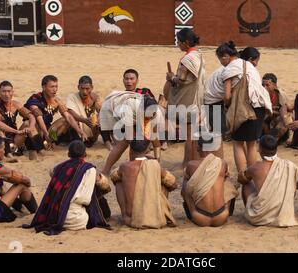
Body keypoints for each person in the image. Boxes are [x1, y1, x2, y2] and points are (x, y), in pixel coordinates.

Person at [24, 140, 111, 235]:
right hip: (75, 221)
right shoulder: (89, 170)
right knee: (93, 200)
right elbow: (85, 199)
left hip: (54, 217)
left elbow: (52, 172)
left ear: (68, 154)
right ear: (85, 154)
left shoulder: (60, 168)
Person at [225, 43, 272, 174]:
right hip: (259, 108)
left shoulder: (231, 67)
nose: (256, 64)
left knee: (238, 143)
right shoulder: (252, 69)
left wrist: (228, 106)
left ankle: (242, 174)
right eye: (256, 61)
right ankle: (252, 174)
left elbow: (227, 95)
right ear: (251, 59)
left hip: (242, 108)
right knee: (251, 144)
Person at [111, 139, 176, 228]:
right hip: (157, 218)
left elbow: (113, 176)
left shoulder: (124, 167)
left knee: (119, 182)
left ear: (131, 150)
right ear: (147, 150)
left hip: (132, 219)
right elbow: (173, 183)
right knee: (164, 182)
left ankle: (125, 214)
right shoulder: (155, 165)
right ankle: (157, 212)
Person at [164, 28, 205, 168]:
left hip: (189, 99)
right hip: (196, 98)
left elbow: (180, 80)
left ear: (186, 43)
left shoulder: (188, 58)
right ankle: (189, 161)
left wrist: (171, 78)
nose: (178, 45)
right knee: (192, 134)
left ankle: (187, 163)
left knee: (189, 135)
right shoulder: (198, 55)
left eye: (179, 42)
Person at [238, 135, 298, 227]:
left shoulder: (255, 168)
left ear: (260, 150)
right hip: (283, 215)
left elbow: (242, 180)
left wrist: (242, 174)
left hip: (261, 217)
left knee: (247, 184)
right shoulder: (289, 165)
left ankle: (252, 214)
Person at [182, 136, 238, 227]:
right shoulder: (222, 163)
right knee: (228, 182)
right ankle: (227, 209)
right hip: (222, 216)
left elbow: (186, 189)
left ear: (198, 148)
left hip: (199, 217)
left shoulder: (191, 165)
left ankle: (192, 211)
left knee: (185, 184)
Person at [100, 91, 160, 174]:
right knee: (123, 143)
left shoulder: (156, 113)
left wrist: (157, 163)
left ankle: (135, 166)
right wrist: (142, 149)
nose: (150, 117)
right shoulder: (128, 108)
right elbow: (130, 138)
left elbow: (155, 139)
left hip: (134, 114)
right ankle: (106, 170)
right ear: (141, 110)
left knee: (141, 141)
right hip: (113, 108)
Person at [24, 75, 87, 151]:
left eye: (56, 87)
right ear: (44, 87)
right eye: (52, 87)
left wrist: (80, 131)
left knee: (67, 119)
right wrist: (46, 133)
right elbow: (39, 117)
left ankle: (53, 142)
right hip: (36, 132)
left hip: (48, 129)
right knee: (29, 123)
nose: (55, 89)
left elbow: (68, 117)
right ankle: (41, 147)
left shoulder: (56, 100)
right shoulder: (35, 98)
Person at [0, 81, 38, 160]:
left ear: (12, 92)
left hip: (15, 140)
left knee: (28, 123)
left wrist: (31, 127)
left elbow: (31, 115)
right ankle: (8, 155)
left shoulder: (16, 104)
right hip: (1, 142)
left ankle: (40, 149)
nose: (7, 94)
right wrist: (16, 131)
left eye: (9, 91)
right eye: (4, 91)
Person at [62, 76, 109, 149]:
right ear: (78, 87)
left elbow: (101, 111)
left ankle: (107, 141)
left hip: (91, 129)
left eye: (87, 89)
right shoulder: (72, 97)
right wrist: (84, 120)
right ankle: (52, 141)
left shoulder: (94, 98)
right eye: (82, 88)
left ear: (92, 88)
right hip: (77, 128)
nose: (84, 91)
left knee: (103, 118)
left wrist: (98, 118)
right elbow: (70, 113)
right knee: (65, 120)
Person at [261, 73, 292, 143]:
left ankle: (272, 140)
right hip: (265, 125)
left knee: (285, 119)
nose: (264, 88)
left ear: (275, 86)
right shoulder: (259, 96)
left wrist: (273, 112)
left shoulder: (280, 95)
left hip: (277, 125)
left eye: (267, 85)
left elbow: (289, 112)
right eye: (262, 85)